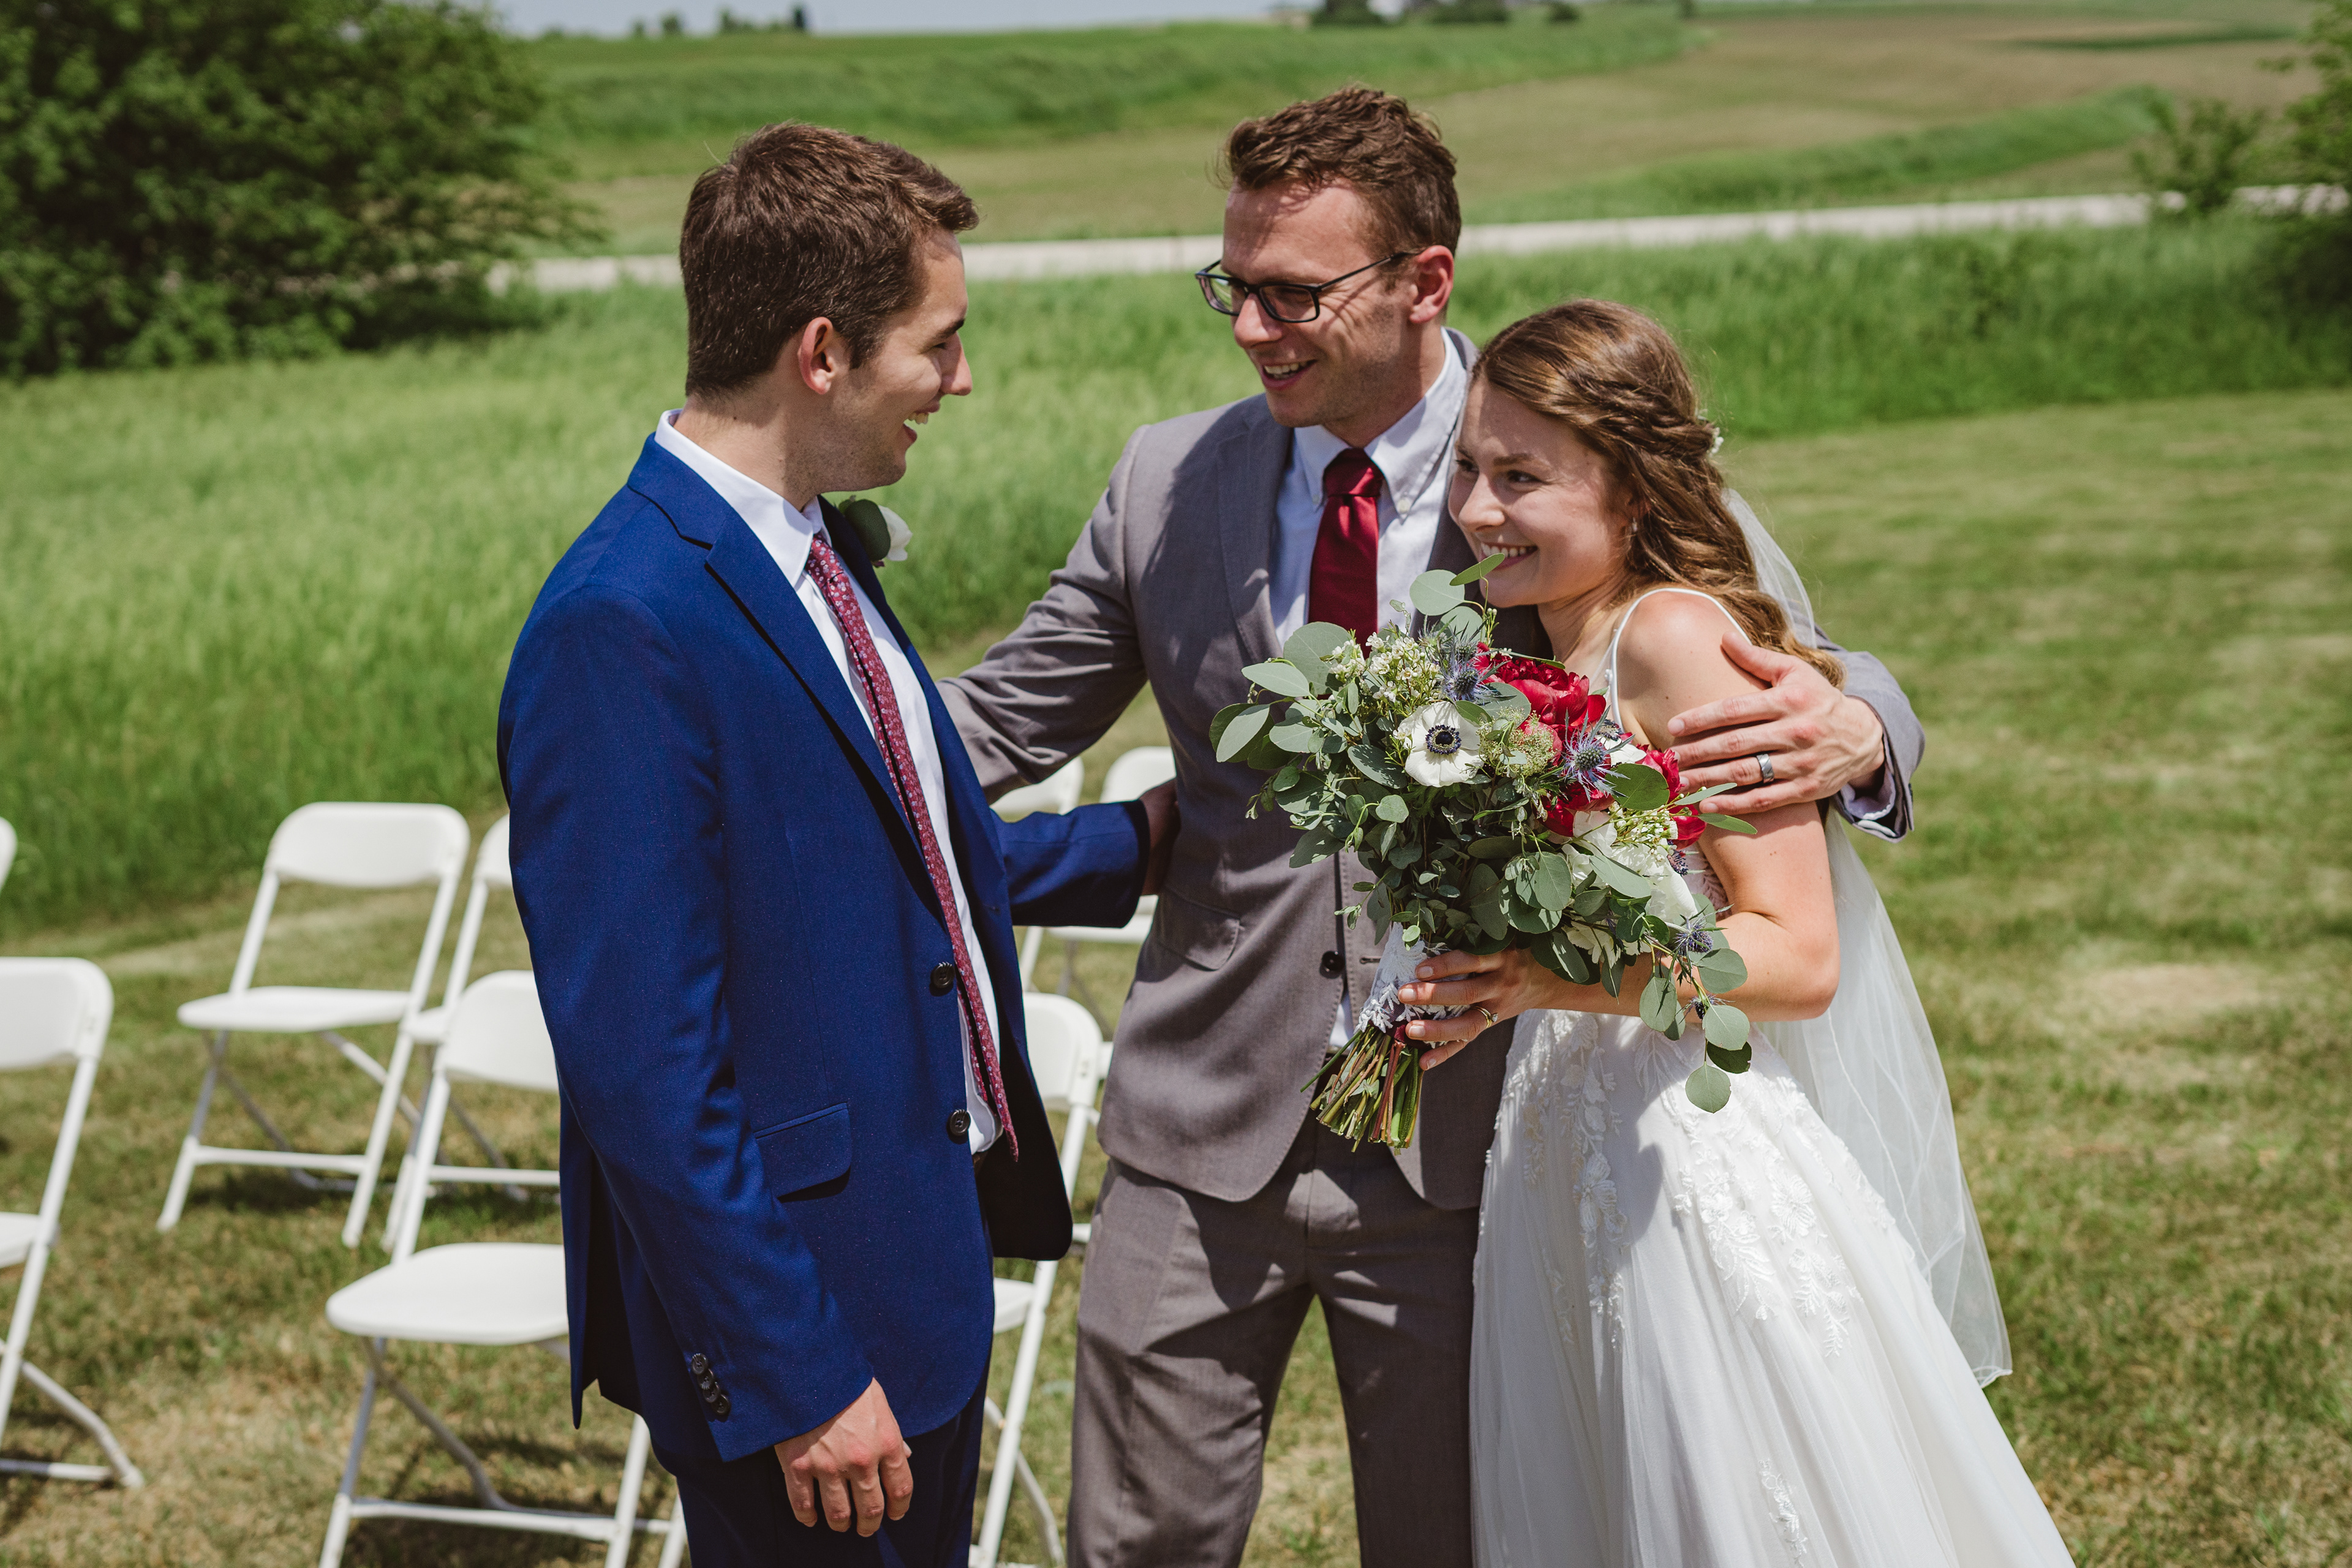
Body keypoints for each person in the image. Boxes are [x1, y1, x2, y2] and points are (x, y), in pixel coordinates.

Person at [941, 89, 1923, 1567]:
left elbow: (1745, 637)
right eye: (1232, 285)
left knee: (1460, 1538)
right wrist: (766, 754)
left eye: (1295, 293)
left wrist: (1869, 726)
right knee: (1131, 1543)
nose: (1252, 326)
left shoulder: (1539, 458)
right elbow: (996, 719)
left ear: (1424, 281)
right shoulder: (1163, 482)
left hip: (1472, 1150)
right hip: (1198, 1126)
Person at [497, 123, 1175, 1567]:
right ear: (823, 352)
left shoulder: (807, 547)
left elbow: (875, 858)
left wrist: (1135, 843)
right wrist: (797, 1371)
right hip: (810, 1329)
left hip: (912, 1264)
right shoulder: (622, 622)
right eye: (939, 341)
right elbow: (643, 1068)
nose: (961, 378)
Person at [1399, 298, 2072, 1566]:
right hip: (1558, 1141)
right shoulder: (1517, 653)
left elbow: (1797, 957)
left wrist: (1545, 979)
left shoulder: (1670, 639)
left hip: (1683, 1151)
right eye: (1472, 469)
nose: (1480, 509)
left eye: (1522, 477)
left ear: (1632, 484)